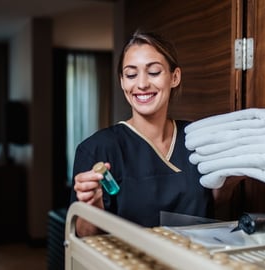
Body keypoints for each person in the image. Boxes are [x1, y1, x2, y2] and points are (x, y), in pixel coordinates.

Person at [69, 30, 239, 237]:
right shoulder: (97, 148)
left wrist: (228, 183)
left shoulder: (198, 138)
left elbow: (213, 210)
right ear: (122, 81)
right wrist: (92, 206)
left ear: (174, 77)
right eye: (131, 74)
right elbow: (83, 239)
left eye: (154, 72)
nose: (141, 84)